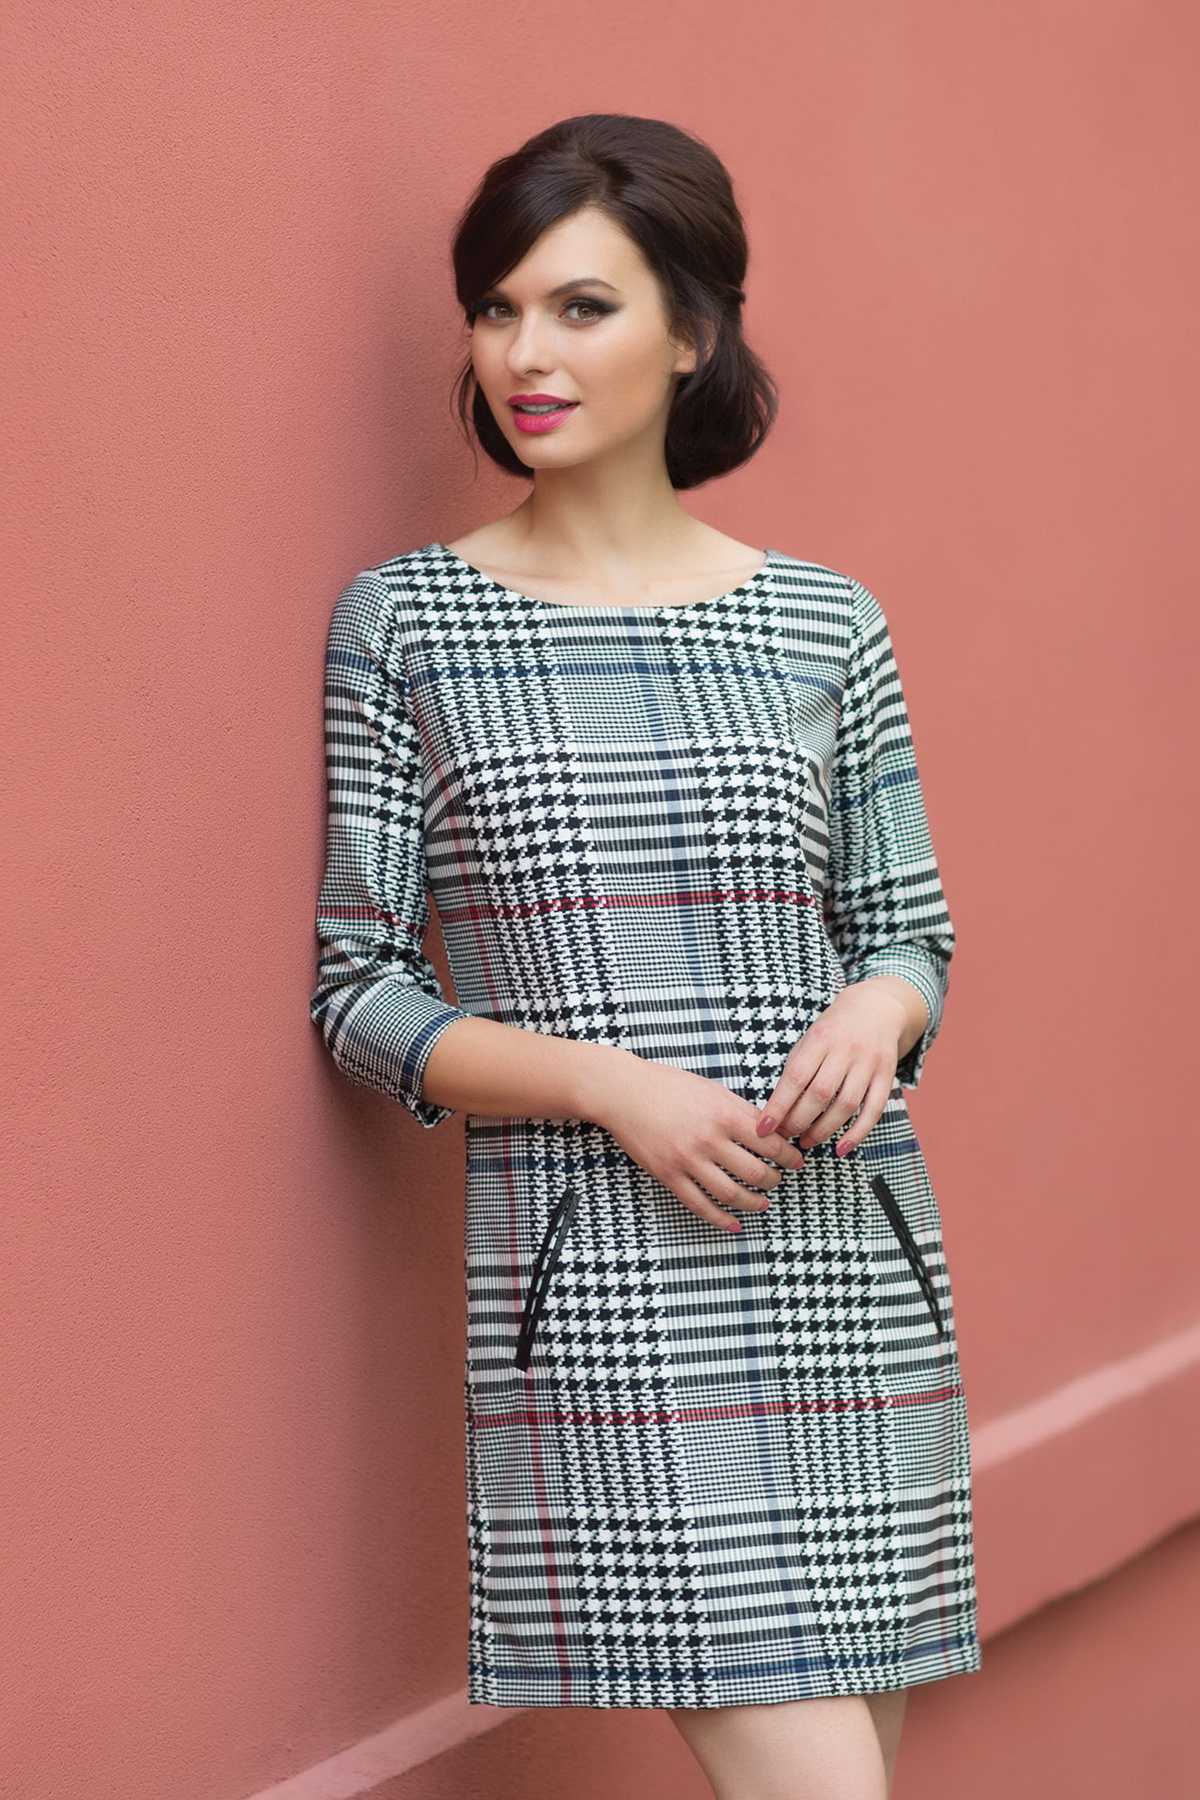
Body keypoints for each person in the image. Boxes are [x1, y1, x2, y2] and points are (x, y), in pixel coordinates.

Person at [309, 112, 981, 1800]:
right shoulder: (410, 624)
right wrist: (614, 1086)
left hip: (842, 1259)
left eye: (581, 308)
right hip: (607, 1282)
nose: (524, 354)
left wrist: (879, 1006)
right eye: (497, 309)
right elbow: (360, 992)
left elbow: (909, 930)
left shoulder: (825, 621)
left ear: (692, 333)